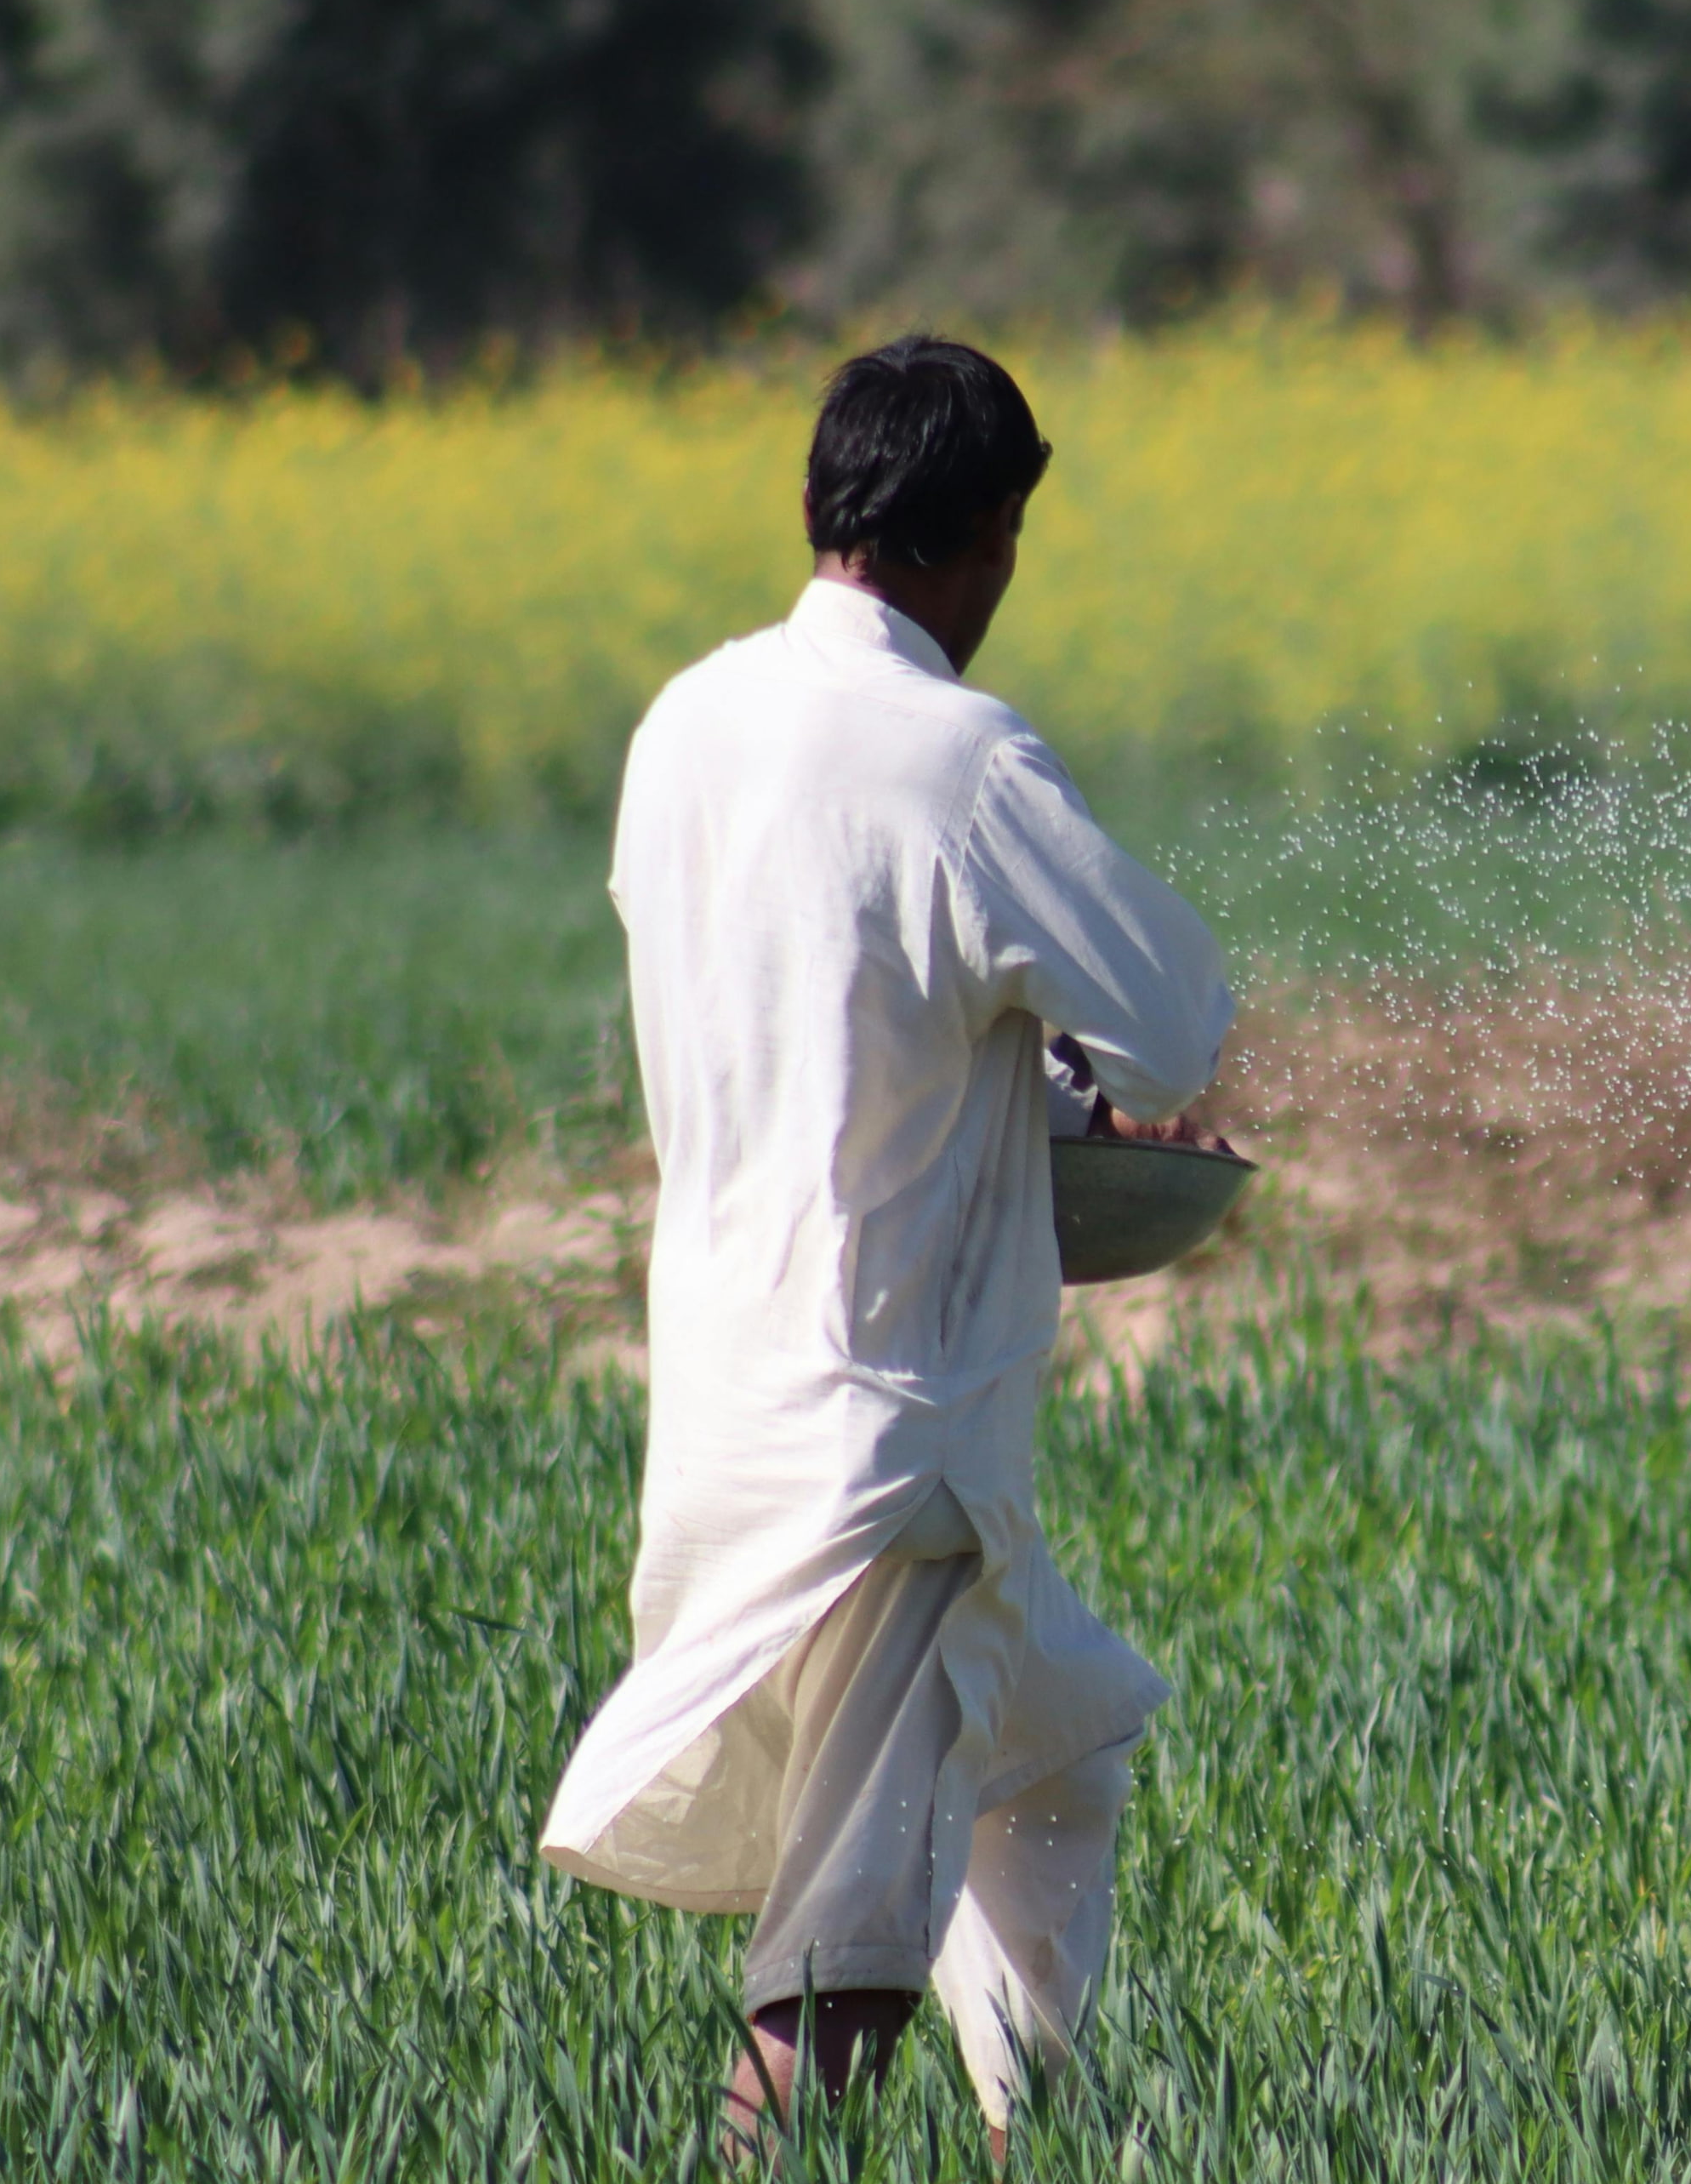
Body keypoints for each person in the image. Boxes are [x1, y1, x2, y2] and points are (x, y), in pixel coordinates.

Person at [538, 334, 1233, 2162]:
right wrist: (1078, 1084)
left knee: (1058, 1755)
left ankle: (1041, 2136)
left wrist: (1012, 1078)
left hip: (733, 1390)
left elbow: (830, 1008)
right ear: (994, 536)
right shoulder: (962, 755)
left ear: (815, 510)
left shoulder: (686, 723)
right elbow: (1170, 1030)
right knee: (846, 1957)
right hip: (895, 1432)